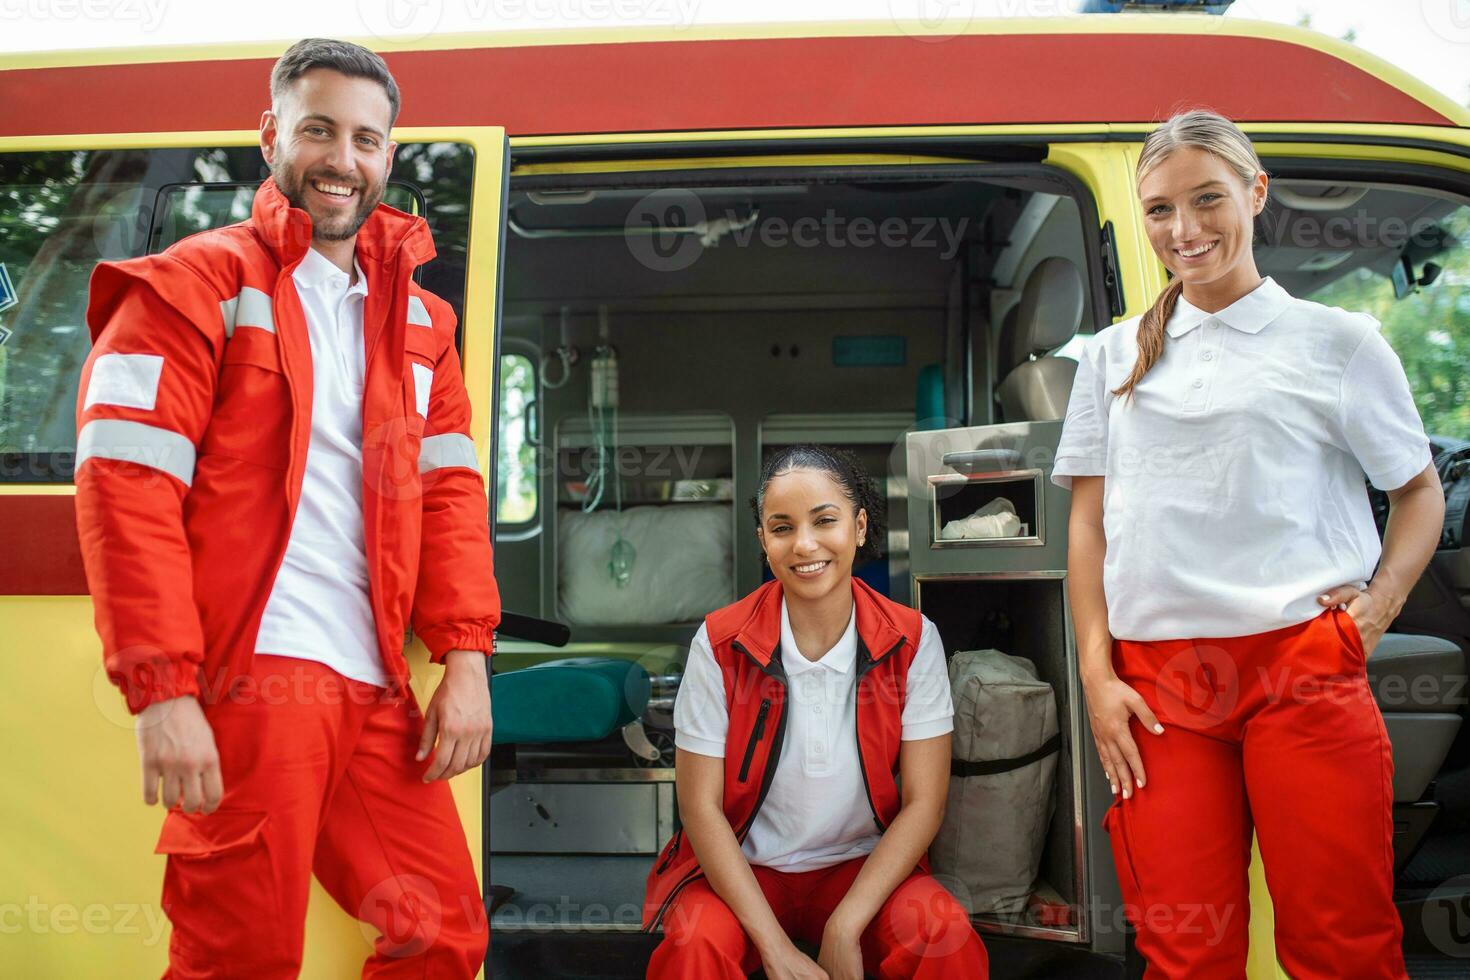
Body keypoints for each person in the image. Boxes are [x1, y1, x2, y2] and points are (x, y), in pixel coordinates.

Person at [75, 38, 499, 978]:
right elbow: (125, 488)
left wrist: (467, 658)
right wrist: (164, 692)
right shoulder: (194, 284)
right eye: (318, 129)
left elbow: (450, 496)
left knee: (442, 931)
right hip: (253, 684)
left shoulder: (423, 323)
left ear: (388, 155)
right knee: (242, 958)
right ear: (272, 135)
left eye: (364, 139)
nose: (341, 160)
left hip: (376, 687)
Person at [1053, 109, 1444, 978]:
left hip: (1302, 668)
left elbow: (1417, 494)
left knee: (1340, 941)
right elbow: (1088, 523)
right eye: (1159, 210)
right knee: (1185, 950)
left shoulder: (1340, 343)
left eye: (1206, 200)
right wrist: (1096, 673)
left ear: (1255, 193)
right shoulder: (1112, 356)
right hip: (1158, 690)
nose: (1184, 230)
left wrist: (1373, 612)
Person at [643, 445, 988, 980]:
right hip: (744, 871)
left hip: (861, 870)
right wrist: (777, 951)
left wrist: (845, 925)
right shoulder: (718, 644)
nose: (804, 544)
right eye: (781, 528)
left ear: (859, 525)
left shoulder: (913, 641)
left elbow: (925, 803)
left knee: (943, 933)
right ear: (763, 540)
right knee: (695, 946)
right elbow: (700, 809)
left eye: (825, 520)